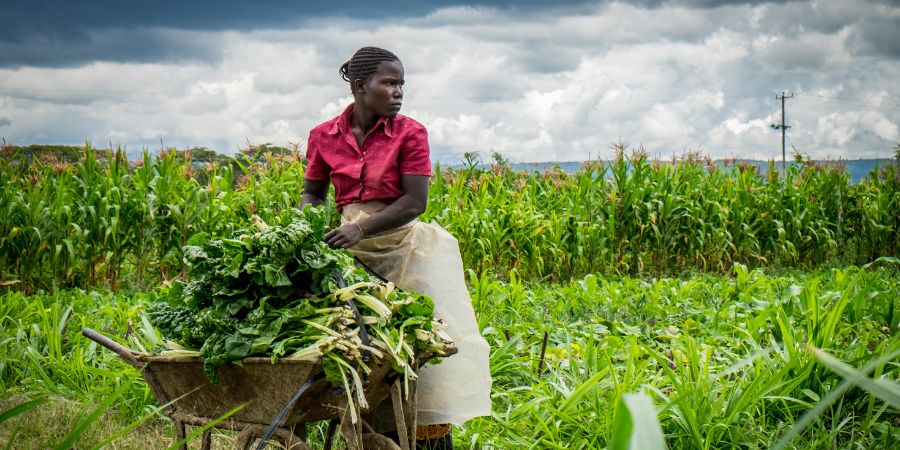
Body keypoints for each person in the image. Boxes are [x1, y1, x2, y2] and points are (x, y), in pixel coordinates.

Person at [299, 46, 492, 449]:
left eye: (401, 83)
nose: (399, 91)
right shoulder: (323, 136)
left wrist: (361, 228)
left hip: (407, 253)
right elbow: (312, 194)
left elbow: (413, 203)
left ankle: (426, 443)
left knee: (421, 357)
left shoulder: (410, 132)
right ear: (359, 87)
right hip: (349, 258)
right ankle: (377, 439)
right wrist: (314, 225)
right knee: (364, 356)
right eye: (389, 83)